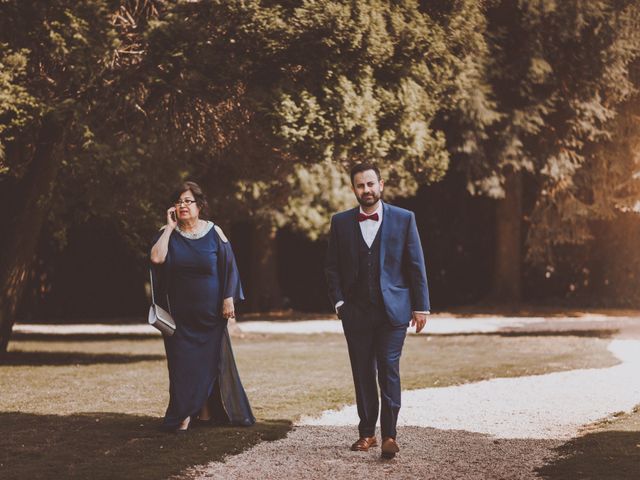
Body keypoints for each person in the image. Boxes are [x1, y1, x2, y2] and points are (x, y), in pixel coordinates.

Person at [324, 163, 430, 459]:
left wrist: (421, 307)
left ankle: (390, 435)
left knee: (388, 368)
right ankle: (367, 433)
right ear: (354, 189)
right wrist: (340, 303)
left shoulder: (404, 219)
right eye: (360, 185)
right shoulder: (341, 222)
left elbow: (415, 265)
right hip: (355, 312)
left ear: (380, 185)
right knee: (362, 372)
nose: (366, 190)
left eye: (371, 184)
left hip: (393, 312)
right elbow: (331, 268)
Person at [150, 181, 255, 432]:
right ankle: (183, 414)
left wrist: (228, 297)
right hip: (179, 317)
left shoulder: (214, 232)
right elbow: (156, 258)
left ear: (199, 205)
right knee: (181, 366)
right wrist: (169, 228)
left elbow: (229, 266)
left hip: (210, 315)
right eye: (179, 201)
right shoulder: (168, 233)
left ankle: (205, 415)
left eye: (188, 201)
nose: (183, 205)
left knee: (208, 365)